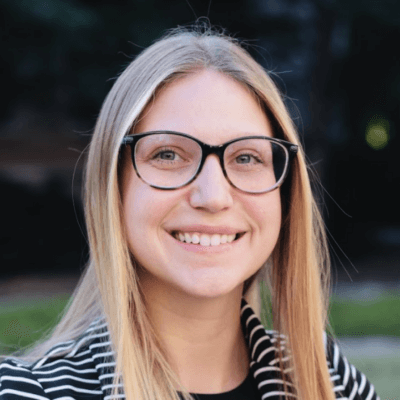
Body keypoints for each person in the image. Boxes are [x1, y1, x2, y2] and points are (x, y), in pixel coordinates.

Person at [0, 24, 379, 400]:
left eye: (246, 157)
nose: (213, 197)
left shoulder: (331, 382)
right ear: (112, 184)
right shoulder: (27, 393)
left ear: (285, 192)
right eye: (168, 154)